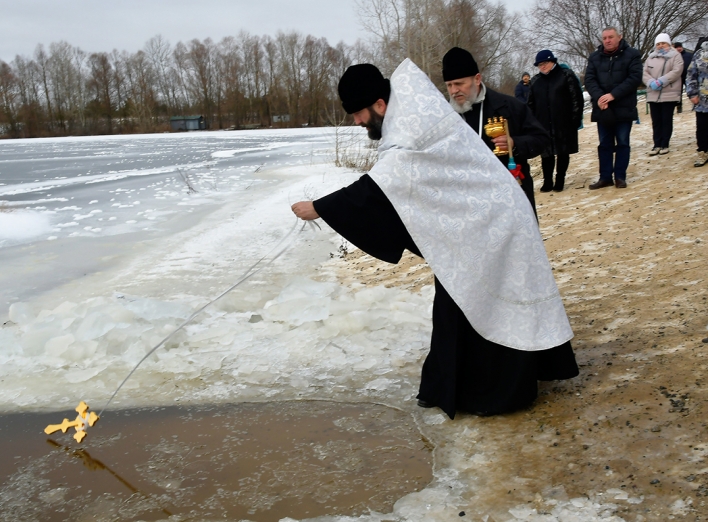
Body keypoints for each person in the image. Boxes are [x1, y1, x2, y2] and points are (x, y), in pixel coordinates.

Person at [291, 61, 578, 419]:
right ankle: (453, 386)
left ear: (379, 104)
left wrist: (321, 208)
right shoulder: (406, 117)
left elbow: (384, 186)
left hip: (494, 223)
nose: (357, 122)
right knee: (460, 302)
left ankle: (497, 395)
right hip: (483, 221)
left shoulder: (411, 126)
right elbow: (395, 185)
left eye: (358, 114)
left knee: (478, 302)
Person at [442, 47, 550, 214]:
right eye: (449, 85)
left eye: (459, 84)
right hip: (469, 203)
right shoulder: (444, 117)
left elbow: (542, 139)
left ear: (477, 79)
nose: (454, 91)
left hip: (510, 199)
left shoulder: (509, 106)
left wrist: (514, 143)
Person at [584, 27, 643, 189]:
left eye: (611, 37)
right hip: (603, 108)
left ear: (619, 37)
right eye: (604, 38)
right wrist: (600, 97)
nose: (607, 40)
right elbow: (589, 80)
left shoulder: (632, 54)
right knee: (604, 144)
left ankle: (620, 176)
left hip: (623, 106)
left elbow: (634, 78)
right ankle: (605, 177)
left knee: (623, 143)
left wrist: (613, 95)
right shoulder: (594, 57)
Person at [527, 50, 585, 192]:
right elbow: (530, 104)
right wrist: (532, 124)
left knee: (562, 151)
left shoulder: (566, 75)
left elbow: (576, 98)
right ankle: (547, 181)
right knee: (546, 154)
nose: (542, 67)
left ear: (552, 61)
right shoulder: (535, 81)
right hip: (543, 123)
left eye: (545, 63)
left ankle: (560, 179)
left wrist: (575, 118)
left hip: (564, 122)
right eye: (539, 65)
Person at [642, 33, 684, 155]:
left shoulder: (675, 56)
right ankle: (657, 144)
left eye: (663, 43)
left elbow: (677, 71)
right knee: (656, 120)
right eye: (658, 44)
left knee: (666, 119)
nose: (661, 46)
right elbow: (644, 72)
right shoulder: (651, 57)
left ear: (668, 44)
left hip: (668, 92)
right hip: (653, 93)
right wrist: (650, 82)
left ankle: (665, 143)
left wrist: (662, 80)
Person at [686, 36, 708, 167]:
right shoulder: (699, 54)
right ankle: (703, 152)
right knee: (702, 127)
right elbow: (691, 74)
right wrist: (692, 93)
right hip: (702, 99)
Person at [673, 42, 693, 113]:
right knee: (678, 93)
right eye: (677, 47)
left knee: (691, 91)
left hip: (688, 76)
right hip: (678, 77)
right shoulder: (673, 56)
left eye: (680, 47)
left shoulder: (689, 55)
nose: (679, 48)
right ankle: (679, 107)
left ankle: (694, 104)